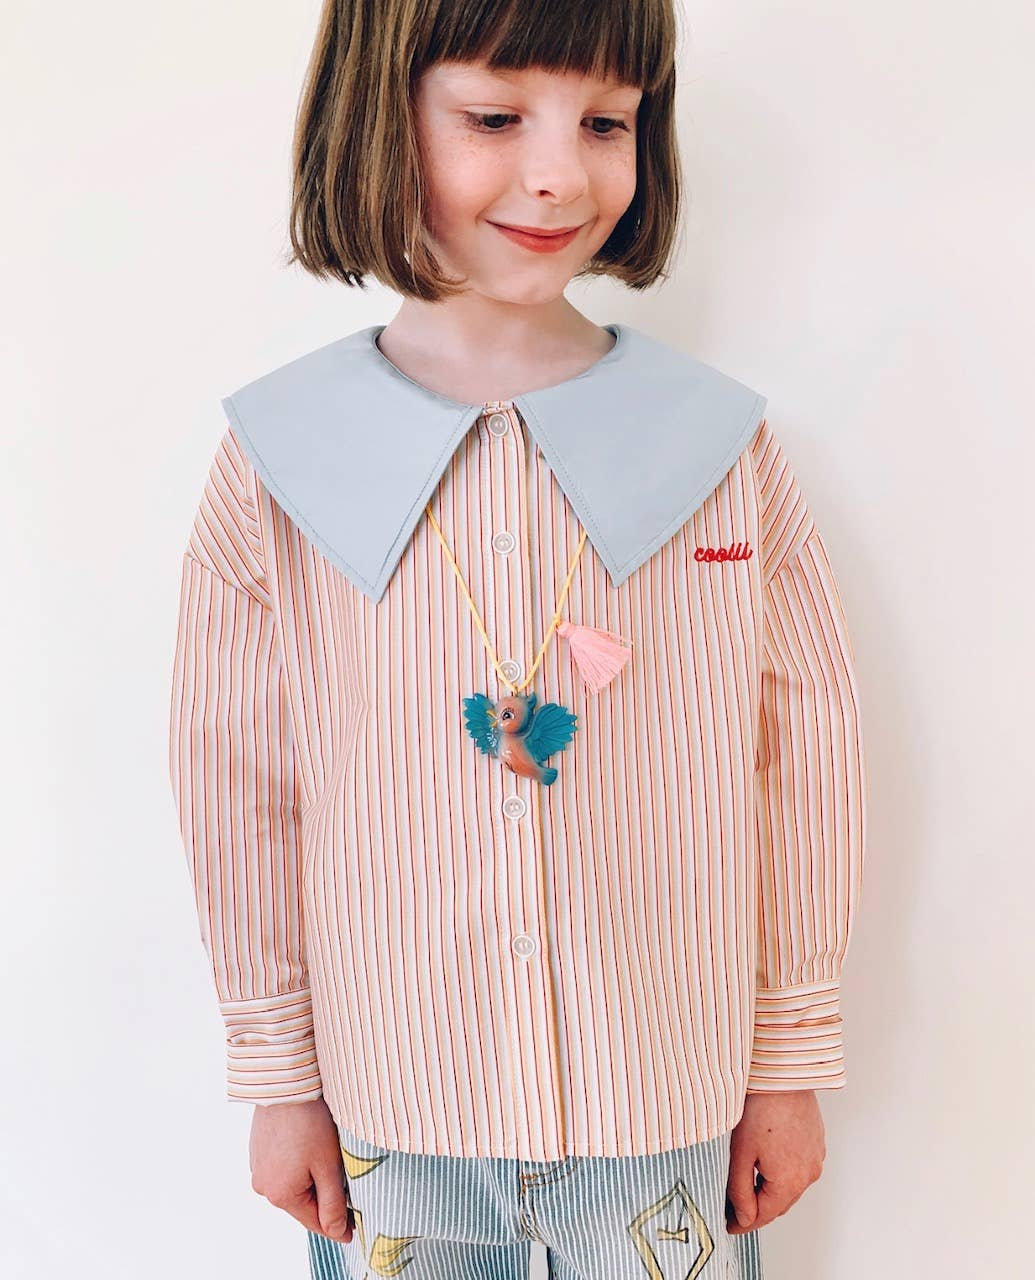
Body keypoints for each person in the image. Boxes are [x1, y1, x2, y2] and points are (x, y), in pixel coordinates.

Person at [167, 2, 867, 1277]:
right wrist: (278, 1074)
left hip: (666, 1103)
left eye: (608, 122)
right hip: (394, 1111)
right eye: (495, 117)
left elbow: (800, 763)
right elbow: (240, 789)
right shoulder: (278, 462)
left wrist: (788, 1061)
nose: (561, 172)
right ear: (382, 117)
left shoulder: (723, 452)